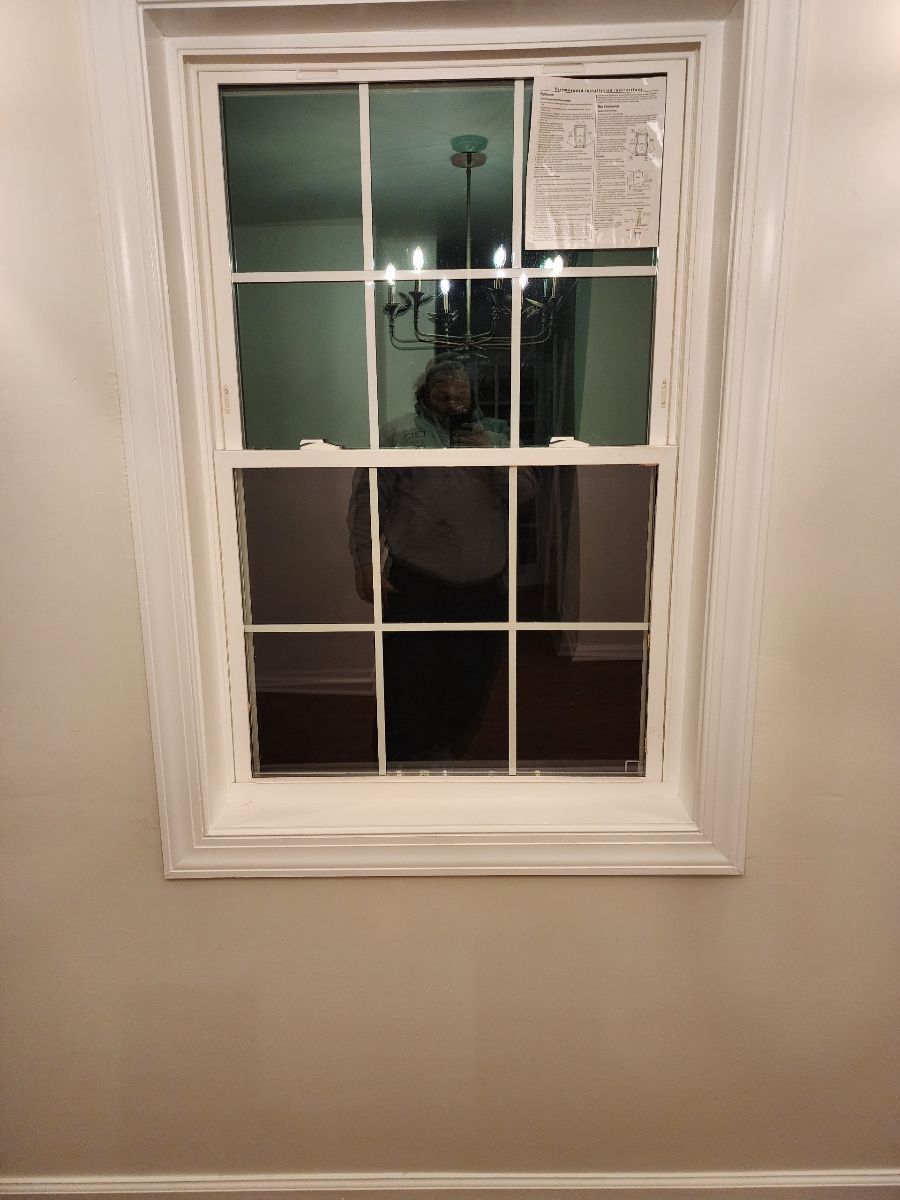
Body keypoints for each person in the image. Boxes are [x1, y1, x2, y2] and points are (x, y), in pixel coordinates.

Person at [347, 353, 535, 766]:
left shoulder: (499, 436)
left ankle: (446, 753)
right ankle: (398, 761)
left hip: (483, 586)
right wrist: (364, 562)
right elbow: (367, 504)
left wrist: (491, 457)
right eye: (441, 390)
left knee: (470, 678)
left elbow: (524, 496)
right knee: (406, 678)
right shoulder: (396, 434)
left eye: (460, 391)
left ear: (472, 396)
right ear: (424, 393)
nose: (451, 398)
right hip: (415, 583)